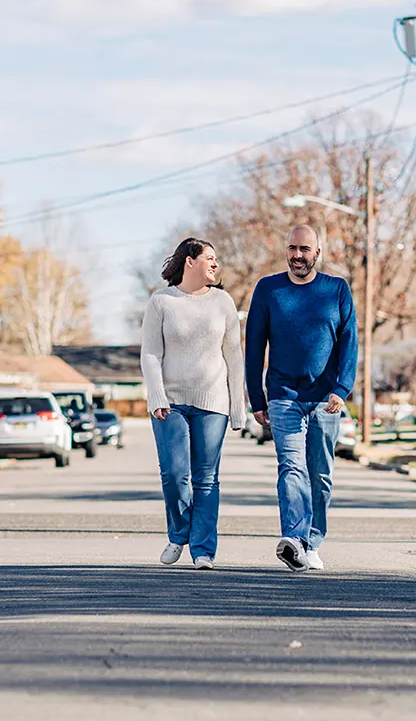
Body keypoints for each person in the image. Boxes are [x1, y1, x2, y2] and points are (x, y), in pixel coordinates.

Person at [245, 225, 358, 572]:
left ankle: (313, 540)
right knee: (291, 467)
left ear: (317, 253)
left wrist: (342, 388)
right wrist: (257, 397)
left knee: (320, 474)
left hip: (326, 398)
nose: (297, 255)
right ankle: (294, 539)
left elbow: (350, 343)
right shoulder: (268, 289)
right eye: (292, 248)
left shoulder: (336, 289)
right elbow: (253, 345)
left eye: (304, 249)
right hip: (283, 395)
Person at [140, 238, 246, 570]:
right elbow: (150, 353)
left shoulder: (223, 302)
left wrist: (238, 406)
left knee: (207, 478)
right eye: (209, 258)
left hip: (213, 401)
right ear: (190, 261)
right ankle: (179, 533)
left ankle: (203, 549)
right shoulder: (162, 301)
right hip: (169, 402)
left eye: (217, 259)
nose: (216, 265)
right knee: (173, 474)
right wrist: (156, 395)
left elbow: (234, 356)